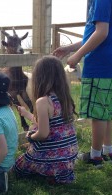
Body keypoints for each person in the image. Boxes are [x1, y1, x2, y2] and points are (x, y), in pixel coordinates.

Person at [53, 0, 112, 166]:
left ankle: (95, 156)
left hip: (100, 62)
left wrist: (77, 56)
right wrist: (69, 48)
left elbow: (101, 33)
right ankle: (108, 151)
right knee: (106, 110)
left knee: (97, 112)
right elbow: (93, 35)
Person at [13, 55, 78, 184]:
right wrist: (27, 114)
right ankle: (56, 175)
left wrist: (31, 137)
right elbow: (50, 124)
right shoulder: (65, 99)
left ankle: (49, 171)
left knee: (17, 168)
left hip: (54, 158)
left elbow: (43, 133)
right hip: (69, 157)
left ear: (39, 78)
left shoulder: (43, 101)